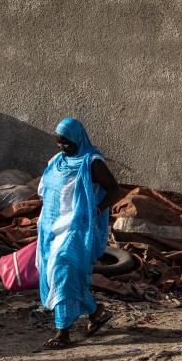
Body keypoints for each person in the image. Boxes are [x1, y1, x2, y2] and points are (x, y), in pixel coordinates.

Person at [36, 117, 125, 349]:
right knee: (55, 273)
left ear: (78, 138)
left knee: (63, 269)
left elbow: (115, 190)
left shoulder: (92, 162)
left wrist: (96, 210)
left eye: (66, 142)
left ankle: (63, 332)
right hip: (51, 227)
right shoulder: (56, 161)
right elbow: (46, 192)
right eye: (59, 142)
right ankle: (96, 312)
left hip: (76, 227)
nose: (62, 147)